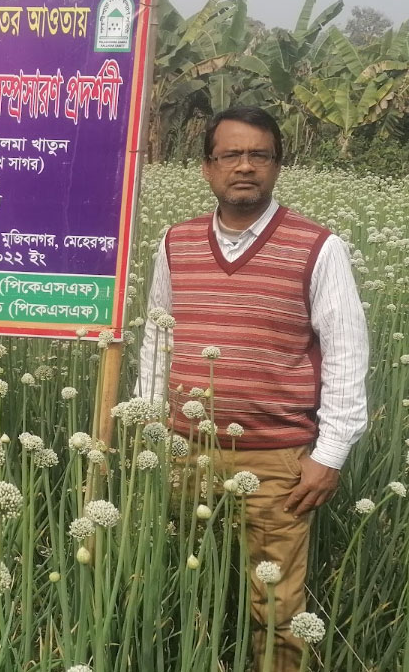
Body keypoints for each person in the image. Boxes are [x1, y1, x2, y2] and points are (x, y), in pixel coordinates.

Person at [138, 106, 368, 671]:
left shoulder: (319, 247)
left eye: (259, 155)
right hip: (181, 451)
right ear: (207, 167)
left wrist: (329, 455)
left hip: (275, 461)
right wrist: (146, 426)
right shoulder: (174, 242)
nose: (244, 166)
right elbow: (158, 337)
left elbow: (346, 352)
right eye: (231, 155)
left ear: (277, 166)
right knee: (180, 587)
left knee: (277, 609)